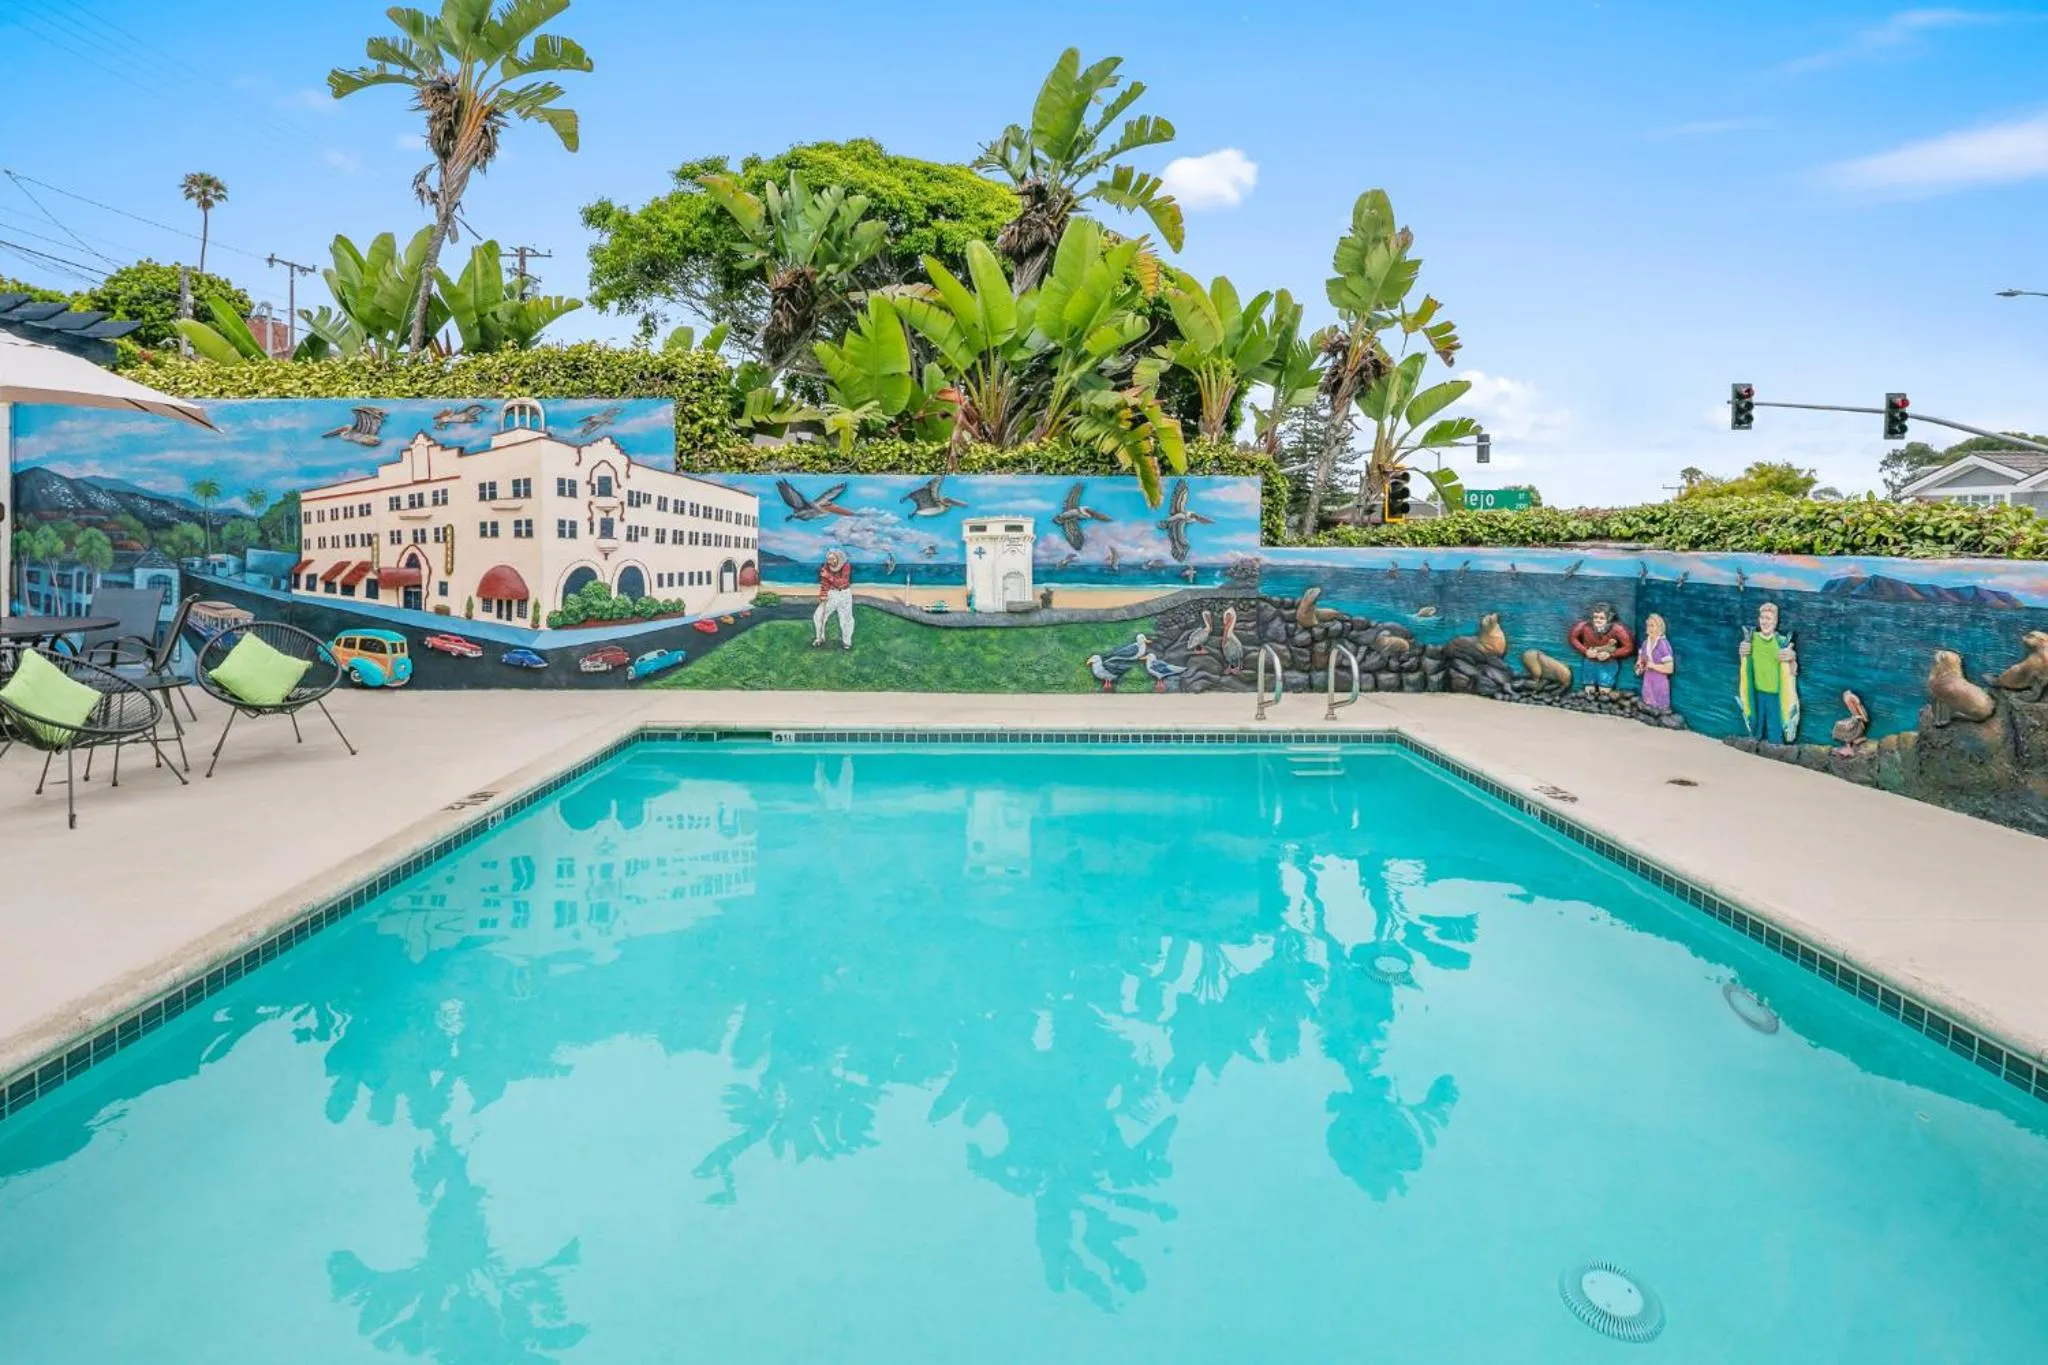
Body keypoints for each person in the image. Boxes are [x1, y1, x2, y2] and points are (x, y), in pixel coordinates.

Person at [1738, 601, 1799, 742]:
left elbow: (1793, 671)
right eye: (1762, 618)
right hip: (1756, 693)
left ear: (1775, 621)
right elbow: (1744, 661)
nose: (1765, 622)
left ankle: (1775, 747)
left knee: (1775, 731)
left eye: (1769, 618)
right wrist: (1742, 650)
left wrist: (1792, 658)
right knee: (1755, 726)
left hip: (1775, 695)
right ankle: (1754, 742)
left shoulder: (1782, 642)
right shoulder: (1751, 639)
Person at [1568, 602, 1635, 697]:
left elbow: (1628, 647)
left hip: (1608, 663)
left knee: (1604, 690)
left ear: (1608, 618)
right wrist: (1585, 651)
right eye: (1595, 617)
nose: (1598, 620)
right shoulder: (1584, 626)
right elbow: (1572, 637)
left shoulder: (1617, 629)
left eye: (1601, 618)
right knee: (1589, 689)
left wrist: (1611, 655)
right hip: (1590, 662)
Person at [812, 549, 854, 650]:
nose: (830, 561)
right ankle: (820, 638)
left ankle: (847, 642)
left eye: (832, 559)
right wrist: (823, 595)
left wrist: (828, 576)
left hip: (844, 594)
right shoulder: (826, 567)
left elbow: (842, 583)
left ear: (838, 559)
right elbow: (824, 583)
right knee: (818, 615)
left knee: (846, 619)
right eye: (828, 559)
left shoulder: (846, 566)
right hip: (831, 593)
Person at [1634, 613, 1675, 713]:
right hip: (1647, 677)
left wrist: (1653, 665)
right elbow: (1640, 659)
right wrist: (1639, 666)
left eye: (1652, 626)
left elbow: (1669, 669)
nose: (1649, 628)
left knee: (1660, 704)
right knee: (1647, 702)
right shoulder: (1645, 643)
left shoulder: (1663, 644)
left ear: (1659, 628)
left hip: (1659, 679)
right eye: (1648, 626)